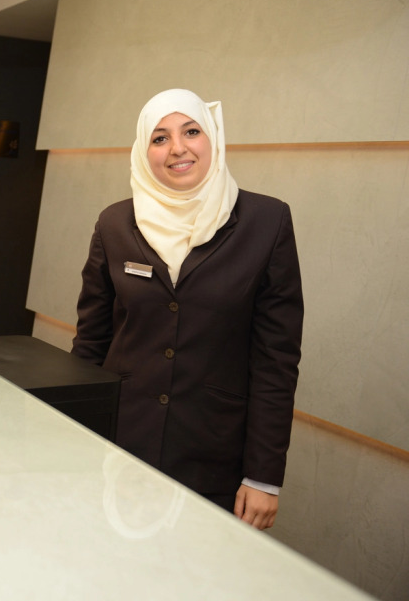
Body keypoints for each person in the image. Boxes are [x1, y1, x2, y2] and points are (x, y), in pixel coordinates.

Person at [72, 88, 303, 530]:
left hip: (214, 453)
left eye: (191, 131)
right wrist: (71, 434)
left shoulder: (267, 221)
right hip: (118, 442)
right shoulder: (114, 224)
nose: (177, 148)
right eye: (159, 138)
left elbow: (276, 359)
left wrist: (264, 476)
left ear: (212, 137)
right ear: (144, 151)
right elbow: (90, 343)